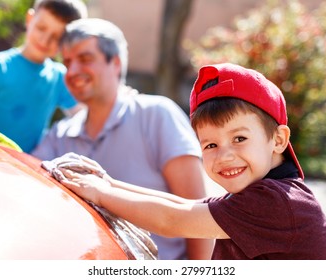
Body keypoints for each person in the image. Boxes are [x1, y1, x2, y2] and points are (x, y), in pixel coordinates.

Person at [54, 62, 326, 260]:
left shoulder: (276, 203)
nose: (225, 155)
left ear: (278, 140)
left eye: (239, 139)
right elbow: (185, 205)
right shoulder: (265, 192)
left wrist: (101, 194)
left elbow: (172, 219)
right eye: (211, 144)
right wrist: (110, 183)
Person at [31, 18, 213, 260]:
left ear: (115, 62)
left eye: (84, 59)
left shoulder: (156, 116)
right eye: (67, 62)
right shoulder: (60, 135)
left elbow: (198, 214)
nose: (72, 71)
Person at [0, 0, 88, 153]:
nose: (45, 40)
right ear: (30, 19)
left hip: (27, 168)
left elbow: (86, 122)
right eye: (41, 28)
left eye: (57, 37)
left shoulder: (59, 78)